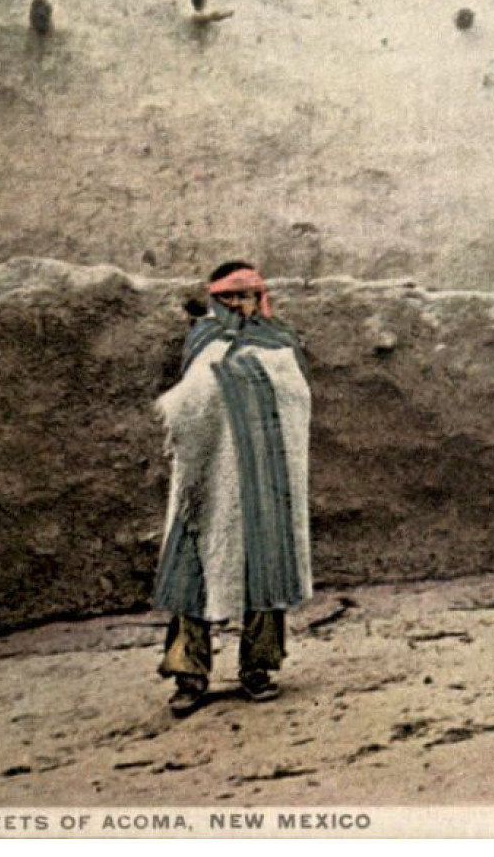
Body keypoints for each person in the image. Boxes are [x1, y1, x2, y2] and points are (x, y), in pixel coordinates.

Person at [152, 261, 312, 717]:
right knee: (194, 566)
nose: (240, 306)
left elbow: (295, 397)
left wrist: (248, 385)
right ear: (215, 299)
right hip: (208, 479)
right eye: (230, 297)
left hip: (265, 474)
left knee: (266, 566)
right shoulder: (202, 340)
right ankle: (190, 674)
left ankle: (258, 668)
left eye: (248, 295)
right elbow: (194, 401)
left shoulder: (279, 340)